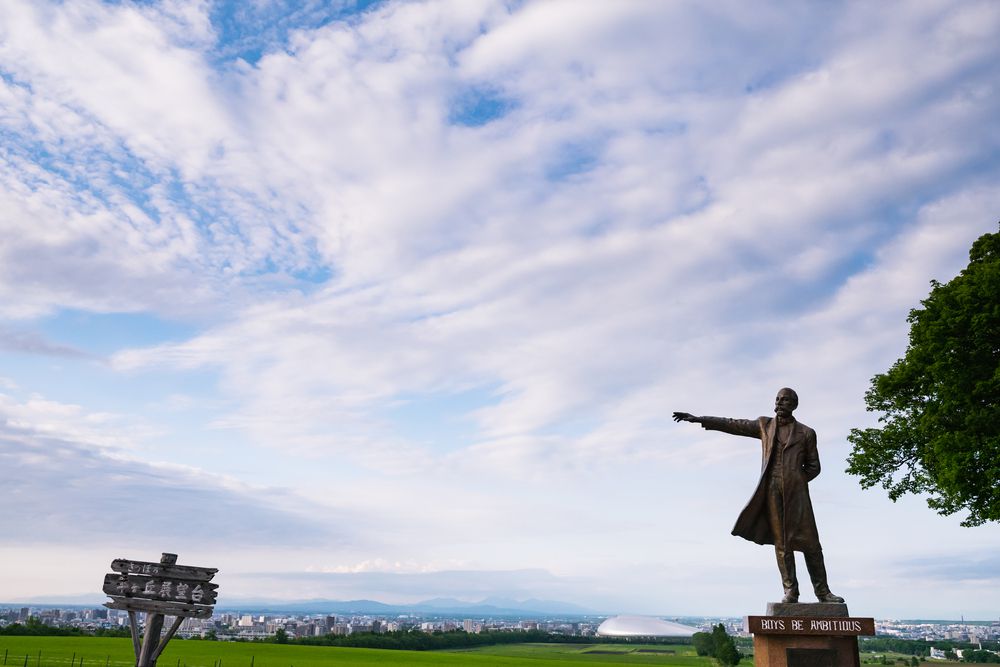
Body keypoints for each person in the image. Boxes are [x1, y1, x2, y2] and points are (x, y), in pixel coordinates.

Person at [673, 388, 844, 604]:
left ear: (794, 405)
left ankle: (823, 592)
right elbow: (734, 424)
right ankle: (791, 590)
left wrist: (795, 481)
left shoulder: (807, 433)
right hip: (771, 491)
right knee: (782, 543)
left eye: (785, 400)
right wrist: (700, 419)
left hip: (797, 494)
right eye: (778, 399)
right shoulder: (765, 425)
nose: (780, 403)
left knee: (811, 543)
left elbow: (814, 466)